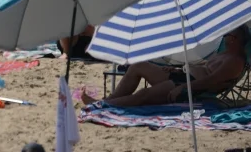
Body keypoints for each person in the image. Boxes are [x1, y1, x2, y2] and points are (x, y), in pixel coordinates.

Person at [82, 27, 248, 107]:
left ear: (234, 39)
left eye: (227, 34)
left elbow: (210, 81)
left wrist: (183, 87)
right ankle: (106, 102)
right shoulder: (225, 54)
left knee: (143, 95)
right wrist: (178, 69)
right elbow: (205, 69)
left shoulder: (235, 61)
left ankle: (103, 106)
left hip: (190, 87)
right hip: (183, 77)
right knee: (138, 66)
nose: (224, 37)